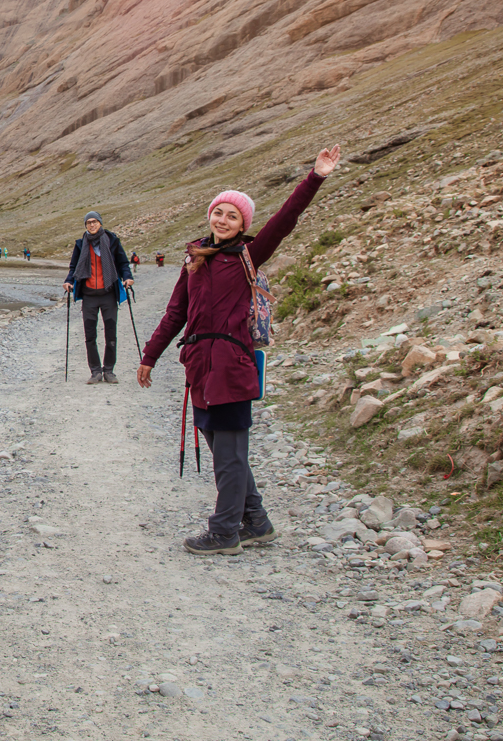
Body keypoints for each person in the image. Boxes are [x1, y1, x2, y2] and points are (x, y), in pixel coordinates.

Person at [138, 146, 342, 554]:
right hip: (200, 368)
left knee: (229, 457)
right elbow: (175, 313)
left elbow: (285, 220)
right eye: (219, 212)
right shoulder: (194, 260)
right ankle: (257, 522)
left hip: (232, 368)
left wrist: (315, 176)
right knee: (226, 452)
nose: (223, 220)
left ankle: (225, 532)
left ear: (243, 224)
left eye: (233, 216)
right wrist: (149, 356)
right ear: (210, 216)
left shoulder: (249, 255)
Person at [65, 212, 133, 384]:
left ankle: (109, 370)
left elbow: (123, 263)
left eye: (94, 222)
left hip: (108, 293)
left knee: (111, 334)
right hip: (89, 295)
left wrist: (127, 277)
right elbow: (73, 267)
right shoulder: (81, 244)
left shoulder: (112, 241)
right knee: (90, 336)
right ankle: (95, 371)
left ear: (100, 223)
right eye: (88, 222)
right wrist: (69, 281)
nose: (92, 225)